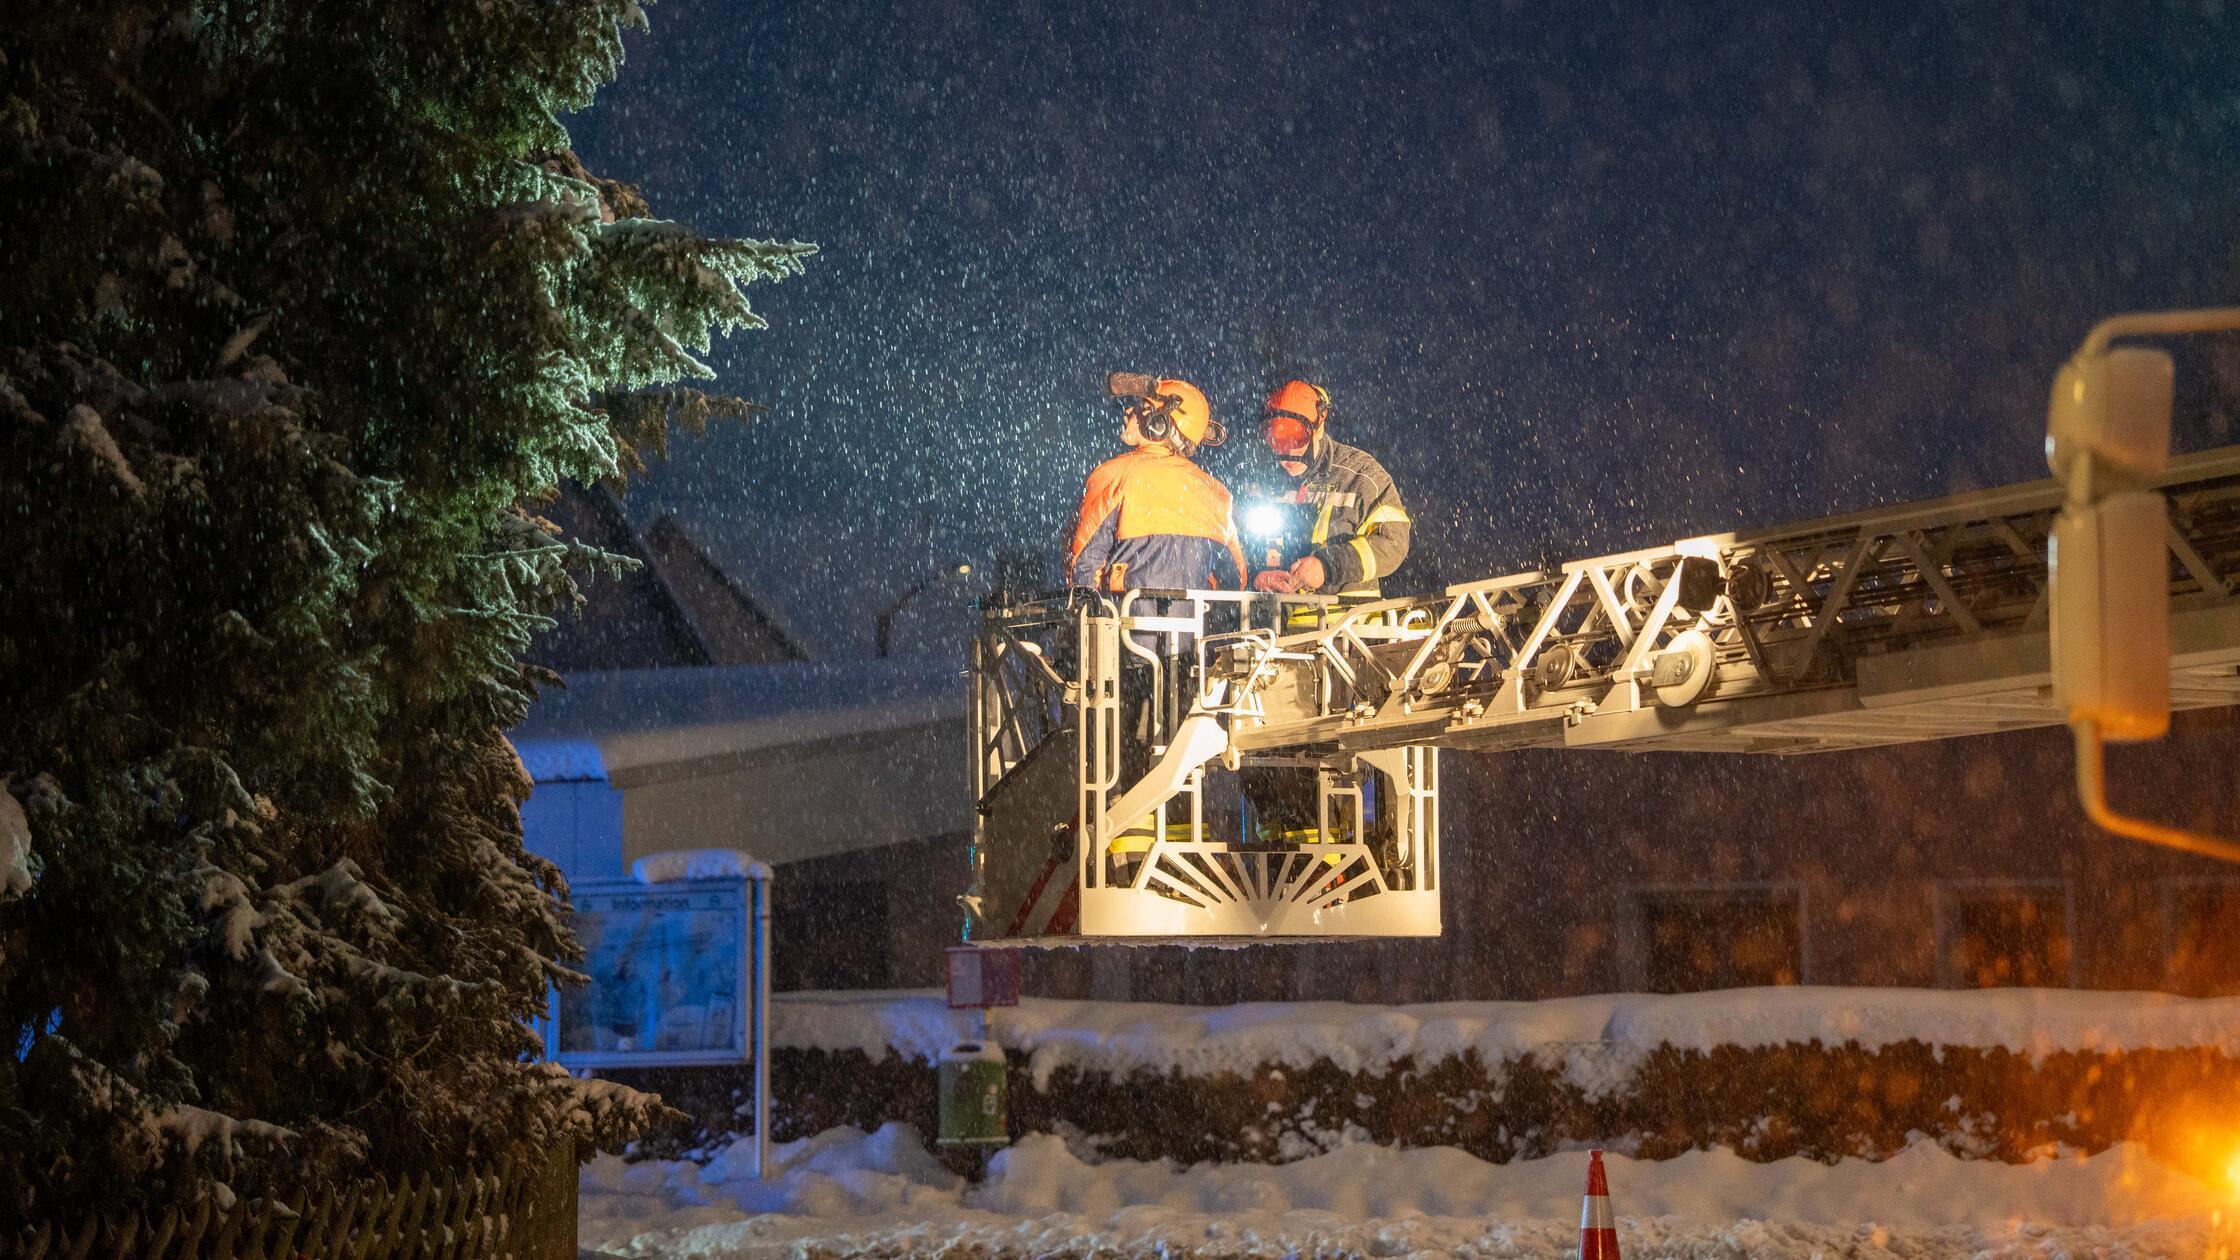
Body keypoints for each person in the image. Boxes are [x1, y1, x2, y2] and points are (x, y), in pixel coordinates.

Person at [1067, 373, 1247, 595]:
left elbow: (1085, 560)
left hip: (1125, 623)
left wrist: (1089, 611)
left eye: (1139, 407)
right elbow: (1234, 579)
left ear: (1157, 422)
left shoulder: (1115, 474)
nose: (1127, 412)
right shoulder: (1215, 491)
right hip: (1193, 627)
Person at [1249, 380, 1411, 599]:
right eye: (1276, 440)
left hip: (1351, 627)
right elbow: (1238, 549)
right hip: (1279, 629)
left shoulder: (1361, 474)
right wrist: (1256, 574)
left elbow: (1393, 544)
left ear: (1319, 426)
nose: (1288, 454)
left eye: (1297, 438)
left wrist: (1329, 566)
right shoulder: (1264, 485)